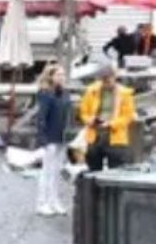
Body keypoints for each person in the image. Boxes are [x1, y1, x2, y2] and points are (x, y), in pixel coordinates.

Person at [78, 62, 138, 172]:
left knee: (116, 171)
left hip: (115, 137)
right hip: (95, 136)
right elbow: (83, 112)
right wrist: (90, 120)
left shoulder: (125, 93)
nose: (105, 82)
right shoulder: (92, 91)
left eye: (108, 79)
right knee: (93, 170)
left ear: (114, 77)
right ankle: (94, 189)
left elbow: (128, 116)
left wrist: (111, 124)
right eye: (102, 79)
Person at [35, 62, 73, 216]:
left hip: (61, 136)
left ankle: (54, 200)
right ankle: (42, 202)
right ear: (51, 77)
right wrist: (43, 139)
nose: (62, 77)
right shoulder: (45, 93)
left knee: (56, 171)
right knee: (47, 170)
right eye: (58, 74)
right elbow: (41, 118)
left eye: (63, 74)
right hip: (50, 137)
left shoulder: (65, 93)